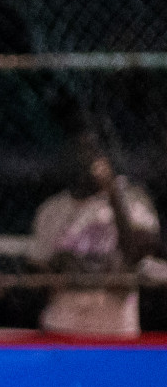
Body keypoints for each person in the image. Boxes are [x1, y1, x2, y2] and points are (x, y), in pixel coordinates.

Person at [30, 132, 160, 337]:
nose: (86, 161)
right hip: (63, 327)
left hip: (116, 329)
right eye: (79, 154)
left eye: (93, 153)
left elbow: (136, 251)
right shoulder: (51, 210)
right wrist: (64, 265)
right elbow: (38, 270)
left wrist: (114, 194)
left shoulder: (133, 203)